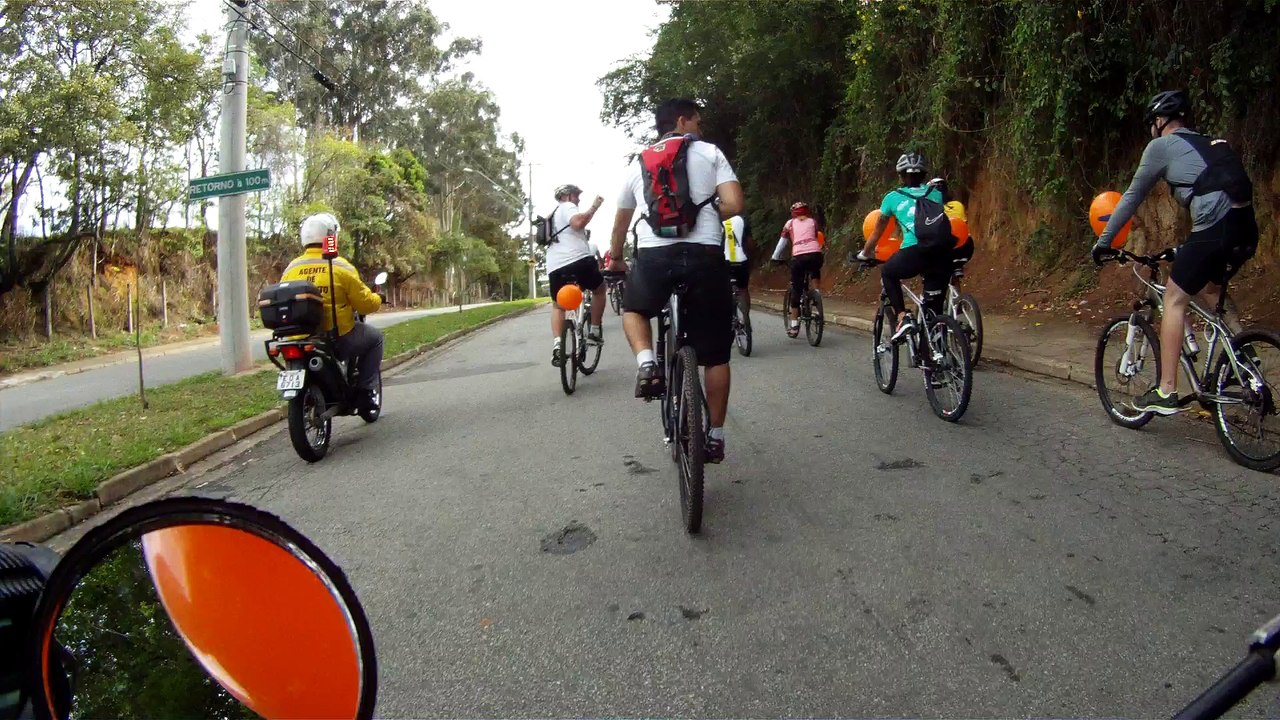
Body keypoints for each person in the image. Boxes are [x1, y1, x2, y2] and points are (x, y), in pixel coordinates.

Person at [1092, 90, 1258, 415]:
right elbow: (1217, 200)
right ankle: (1245, 355)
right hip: (1245, 226)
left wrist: (1105, 241)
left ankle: (1166, 390)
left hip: (1217, 226)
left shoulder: (1161, 147)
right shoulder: (1209, 143)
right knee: (1210, 288)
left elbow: (1130, 197)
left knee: (1173, 298)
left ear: (1159, 121)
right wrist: (1182, 249)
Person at [607, 97, 744, 463]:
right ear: (682, 121)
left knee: (634, 308)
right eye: (697, 121)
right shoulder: (710, 153)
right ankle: (714, 436)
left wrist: (617, 258)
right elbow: (734, 204)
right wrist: (711, 207)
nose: (700, 128)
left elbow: (621, 222)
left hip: (654, 257)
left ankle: (648, 363)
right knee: (715, 356)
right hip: (705, 257)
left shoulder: (639, 163)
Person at [280, 212, 384, 408]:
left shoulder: (291, 268)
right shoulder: (339, 265)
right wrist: (378, 298)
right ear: (330, 237)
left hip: (298, 339)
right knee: (375, 339)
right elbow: (365, 304)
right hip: (336, 337)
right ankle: (365, 392)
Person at [856, 152, 950, 343]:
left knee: (889, 273)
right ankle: (937, 357)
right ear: (924, 175)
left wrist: (865, 253)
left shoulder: (892, 198)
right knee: (934, 307)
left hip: (914, 252)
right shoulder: (936, 194)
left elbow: (877, 232)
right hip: (941, 253)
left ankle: (902, 317)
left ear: (901, 175)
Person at [546, 183, 607, 368]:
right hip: (578, 260)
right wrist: (594, 207)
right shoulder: (567, 206)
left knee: (558, 306)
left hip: (555, 266)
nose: (578, 199)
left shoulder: (552, 216)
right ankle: (595, 331)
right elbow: (578, 222)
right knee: (599, 289)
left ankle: (558, 344)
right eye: (576, 195)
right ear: (567, 196)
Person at [780, 202, 823, 338]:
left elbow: (782, 242)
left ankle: (794, 326)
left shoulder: (790, 224)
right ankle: (817, 297)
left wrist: (775, 257)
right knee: (814, 269)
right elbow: (815, 237)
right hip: (816, 254)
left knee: (796, 291)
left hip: (798, 257)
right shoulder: (813, 221)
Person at [723, 213, 753, 324]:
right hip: (742, 260)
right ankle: (746, 318)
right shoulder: (742, 219)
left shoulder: (717, 219)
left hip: (725, 262)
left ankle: (727, 319)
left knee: (723, 290)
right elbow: (749, 243)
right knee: (743, 289)